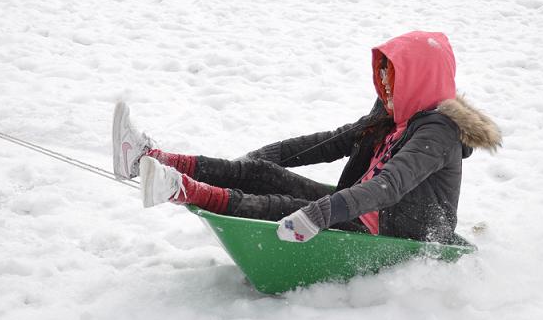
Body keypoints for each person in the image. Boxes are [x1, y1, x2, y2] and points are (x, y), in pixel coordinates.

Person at [112, 31, 501, 244]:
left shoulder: (439, 131)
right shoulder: (392, 114)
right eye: (383, 73)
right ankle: (150, 158)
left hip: (398, 231)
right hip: (360, 211)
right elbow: (331, 142)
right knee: (263, 175)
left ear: (420, 77)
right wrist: (260, 160)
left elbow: (390, 185)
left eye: (393, 75)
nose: (384, 83)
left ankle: (178, 188)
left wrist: (322, 213)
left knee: (277, 206)